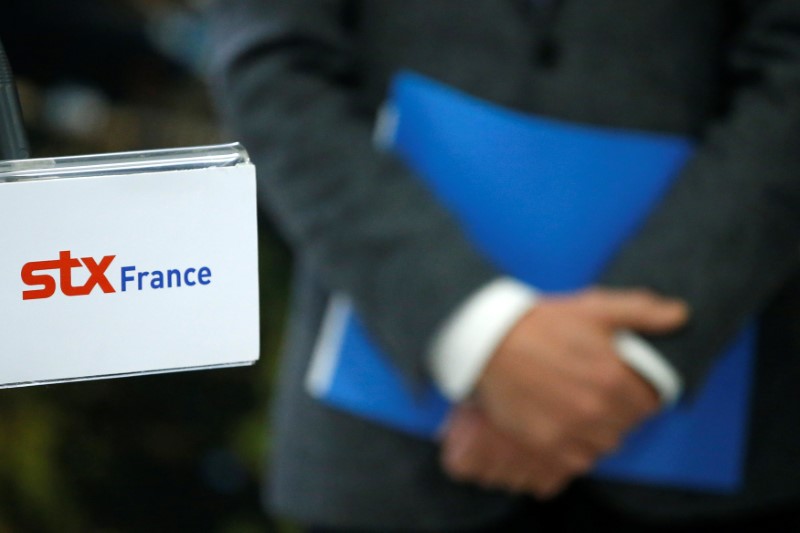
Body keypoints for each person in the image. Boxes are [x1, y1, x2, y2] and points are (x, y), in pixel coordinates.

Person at [205, 1, 800, 531]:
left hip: (715, 424)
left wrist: (630, 360)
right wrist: (478, 333)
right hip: (389, 457)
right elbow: (270, 64)